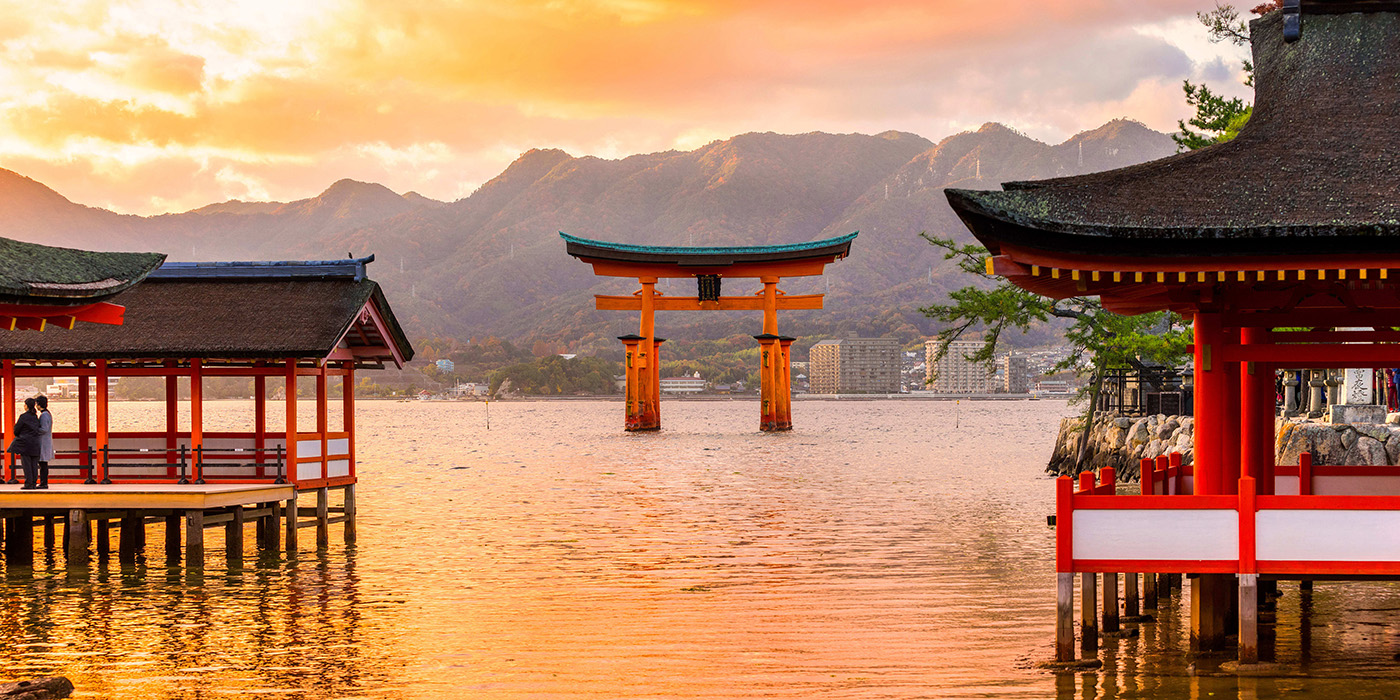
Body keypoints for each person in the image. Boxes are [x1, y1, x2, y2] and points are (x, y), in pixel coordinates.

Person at [7, 397, 42, 490]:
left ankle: (28, 484)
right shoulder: (35, 416)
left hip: (25, 444)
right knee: (34, 465)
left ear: (26, 406)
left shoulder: (23, 417)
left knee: (26, 465)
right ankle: (34, 483)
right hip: (35, 444)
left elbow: (16, 430)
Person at [35, 395, 52, 489]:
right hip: (46, 441)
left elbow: (44, 429)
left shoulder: (44, 415)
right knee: (43, 464)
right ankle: (43, 482)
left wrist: (34, 430)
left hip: (43, 442)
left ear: (38, 404)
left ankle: (43, 483)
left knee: (43, 464)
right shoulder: (47, 413)